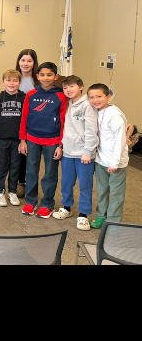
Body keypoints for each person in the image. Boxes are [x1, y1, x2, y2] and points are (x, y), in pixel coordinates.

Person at [19, 61, 68, 219]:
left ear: (56, 76)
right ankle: (30, 201)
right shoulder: (31, 94)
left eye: (49, 75)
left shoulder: (61, 96)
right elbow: (24, 118)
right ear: (37, 76)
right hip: (32, 139)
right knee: (31, 171)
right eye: (42, 75)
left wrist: (60, 144)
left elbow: (63, 122)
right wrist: (23, 140)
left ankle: (48, 204)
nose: (46, 78)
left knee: (50, 174)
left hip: (52, 141)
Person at [52, 75, 99, 230]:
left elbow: (91, 130)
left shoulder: (87, 105)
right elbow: (65, 128)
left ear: (81, 87)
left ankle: (83, 214)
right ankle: (66, 207)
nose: (68, 90)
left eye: (72, 86)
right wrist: (61, 146)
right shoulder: (67, 104)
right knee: (66, 182)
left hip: (83, 154)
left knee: (85, 184)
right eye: (65, 88)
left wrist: (88, 151)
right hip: (68, 151)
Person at [87, 83, 129, 228]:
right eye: (91, 97)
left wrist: (114, 162)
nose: (95, 100)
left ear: (109, 97)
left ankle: (113, 222)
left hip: (116, 162)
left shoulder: (115, 115)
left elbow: (120, 140)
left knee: (116, 193)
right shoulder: (96, 111)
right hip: (101, 160)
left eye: (99, 96)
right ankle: (101, 216)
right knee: (102, 190)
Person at [0, 69, 25, 207]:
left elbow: (27, 120)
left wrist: (24, 140)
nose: (11, 83)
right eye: (8, 80)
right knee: (1, 167)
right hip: (1, 140)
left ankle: (12, 191)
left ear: (19, 82)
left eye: (15, 80)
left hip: (18, 141)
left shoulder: (25, 99)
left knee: (15, 167)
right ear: (3, 82)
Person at [14, 48, 39, 197]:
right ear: (18, 62)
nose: (25, 63)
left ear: (34, 63)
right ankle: (20, 182)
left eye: (29, 61)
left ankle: (32, 183)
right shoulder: (15, 79)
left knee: (31, 155)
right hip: (17, 121)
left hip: (34, 123)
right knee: (19, 154)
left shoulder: (38, 81)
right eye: (23, 60)